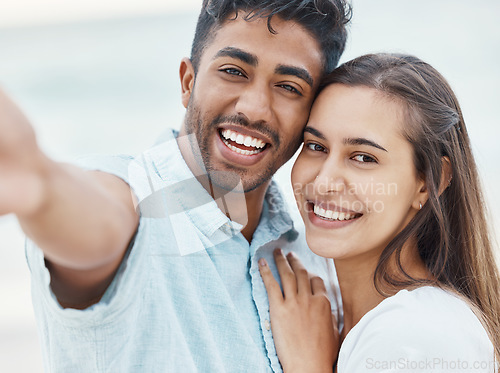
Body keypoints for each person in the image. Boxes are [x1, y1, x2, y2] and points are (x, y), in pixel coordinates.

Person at [0, 0, 351, 371]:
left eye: (288, 87)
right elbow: (101, 225)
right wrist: (41, 186)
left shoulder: (315, 261)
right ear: (188, 82)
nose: (254, 108)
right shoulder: (133, 201)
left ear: (312, 114)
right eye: (233, 71)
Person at [259, 53, 500, 372]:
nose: (324, 181)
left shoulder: (418, 337)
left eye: (363, 157)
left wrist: (309, 367)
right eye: (316, 146)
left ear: (428, 183)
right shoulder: (342, 312)